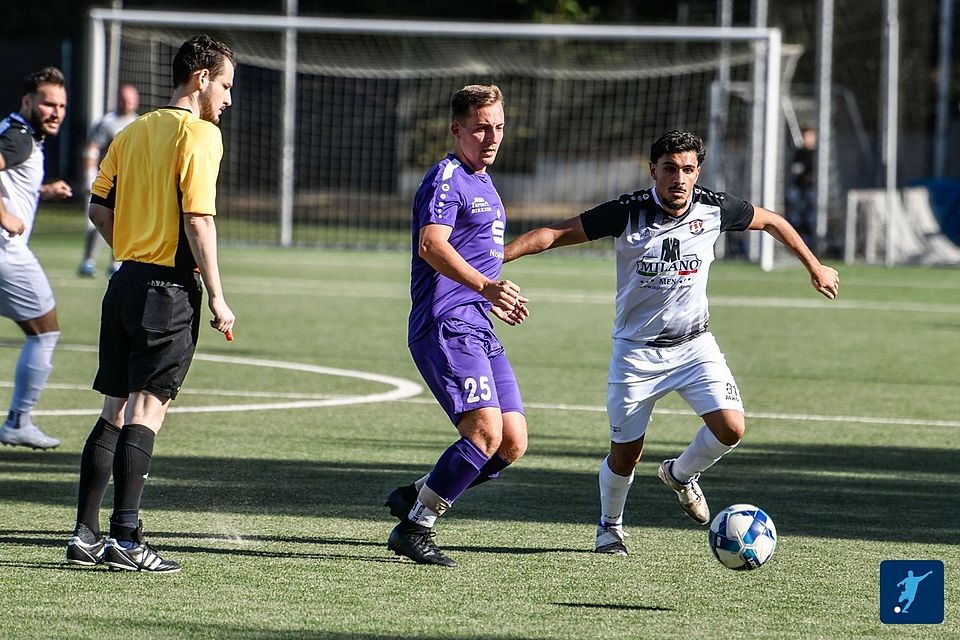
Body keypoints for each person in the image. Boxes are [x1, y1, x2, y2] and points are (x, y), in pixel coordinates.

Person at [503, 130, 839, 555]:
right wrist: (495, 257)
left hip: (695, 346)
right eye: (669, 169)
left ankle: (680, 475)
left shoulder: (715, 209)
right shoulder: (627, 212)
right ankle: (610, 527)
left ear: (697, 172)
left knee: (732, 428)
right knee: (626, 455)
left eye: (687, 169)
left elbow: (772, 220)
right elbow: (554, 233)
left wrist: (815, 266)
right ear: (653, 171)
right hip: (636, 352)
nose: (678, 178)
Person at [65, 35, 236, 573]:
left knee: (112, 408)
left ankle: (84, 535)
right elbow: (198, 219)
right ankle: (126, 538)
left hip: (123, 285)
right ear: (202, 77)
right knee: (148, 408)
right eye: (226, 85)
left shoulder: (132, 131)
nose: (228, 99)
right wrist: (218, 295)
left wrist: (133, 246)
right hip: (168, 290)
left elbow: (97, 208)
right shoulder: (200, 134)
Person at [384, 84, 530, 567]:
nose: (492, 137)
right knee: (484, 432)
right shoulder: (447, 177)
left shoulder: (484, 181)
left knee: (511, 442)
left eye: (499, 127)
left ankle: (419, 495)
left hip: (477, 324)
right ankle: (414, 527)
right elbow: (432, 245)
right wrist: (486, 288)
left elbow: (476, 252)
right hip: (445, 323)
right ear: (457, 130)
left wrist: (491, 297)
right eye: (481, 127)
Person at [0, 67, 73, 450]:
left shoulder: (13, 131)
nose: (56, 111)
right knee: (45, 333)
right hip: (6, 253)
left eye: (61, 105)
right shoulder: (19, 139)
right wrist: (5, 216)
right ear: (27, 102)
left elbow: (9, 182)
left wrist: (40, 191)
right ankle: (18, 421)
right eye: (47, 103)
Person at [78, 83, 139, 277]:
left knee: (124, 222)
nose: (126, 102)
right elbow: (92, 149)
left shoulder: (139, 122)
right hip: (107, 181)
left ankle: (117, 261)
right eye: (123, 98)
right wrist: (90, 177)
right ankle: (88, 261)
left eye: (130, 99)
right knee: (97, 219)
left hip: (128, 182)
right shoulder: (108, 122)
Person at [785, 126, 816, 247]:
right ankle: (797, 240)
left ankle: (811, 242)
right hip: (800, 188)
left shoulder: (817, 153)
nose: (807, 139)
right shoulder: (800, 152)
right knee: (796, 214)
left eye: (810, 136)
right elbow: (794, 169)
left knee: (810, 217)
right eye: (805, 136)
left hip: (812, 190)